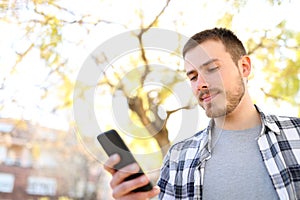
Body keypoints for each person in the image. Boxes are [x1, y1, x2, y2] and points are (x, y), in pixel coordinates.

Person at [104, 27, 300, 200]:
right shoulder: (178, 158)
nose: (201, 84)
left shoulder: (296, 134)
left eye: (212, 69)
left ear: (244, 67)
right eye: (193, 76)